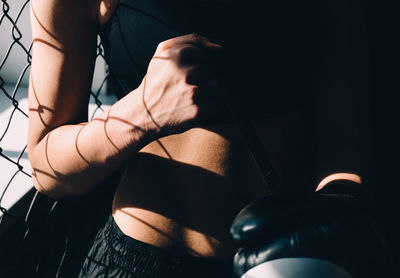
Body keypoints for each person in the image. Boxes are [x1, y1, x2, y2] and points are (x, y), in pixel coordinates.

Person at [27, 0, 375, 277]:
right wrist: (140, 113)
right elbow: (46, 166)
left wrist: (338, 210)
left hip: (292, 256)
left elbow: (345, 137)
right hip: (141, 263)